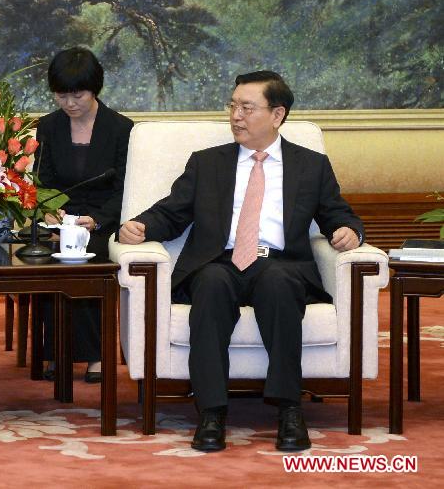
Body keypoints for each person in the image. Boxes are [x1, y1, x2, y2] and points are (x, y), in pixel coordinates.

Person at [118, 70, 363, 453]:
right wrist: (139, 226)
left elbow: (339, 214)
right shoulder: (207, 163)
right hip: (220, 261)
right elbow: (173, 213)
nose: (235, 116)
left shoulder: (310, 166)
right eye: (233, 106)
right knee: (212, 285)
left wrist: (350, 232)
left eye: (247, 108)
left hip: (280, 263)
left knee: (280, 285)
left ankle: (289, 410)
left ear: (277, 114)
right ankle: (212, 413)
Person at [35, 47, 133, 383]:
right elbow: (41, 181)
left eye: (77, 94)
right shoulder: (48, 127)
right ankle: (53, 352)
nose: (69, 103)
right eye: (61, 96)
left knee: (93, 259)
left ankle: (96, 355)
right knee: (45, 258)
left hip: (101, 220)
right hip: (60, 217)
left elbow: (125, 188)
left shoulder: (121, 129)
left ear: (95, 89)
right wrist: (50, 212)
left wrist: (98, 220)